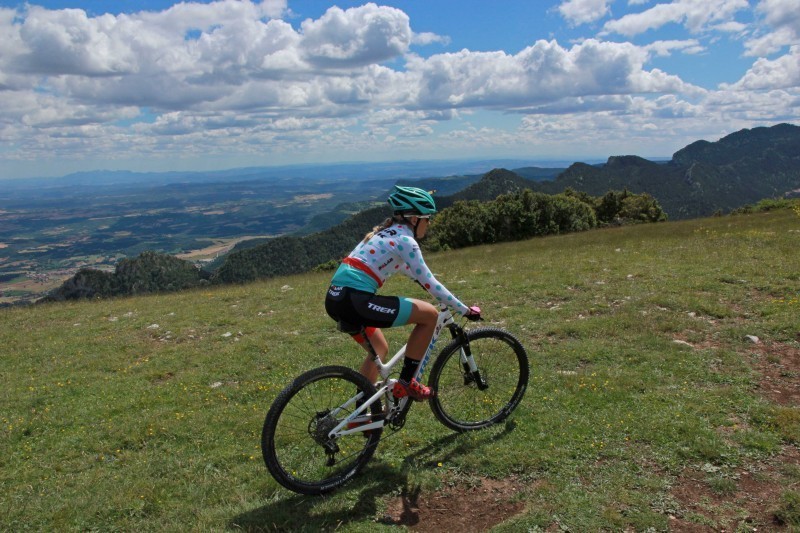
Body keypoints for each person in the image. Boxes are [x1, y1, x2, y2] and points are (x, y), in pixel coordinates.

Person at [325, 185, 481, 401]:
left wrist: (430, 286)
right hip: (355, 300)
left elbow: (411, 272)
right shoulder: (406, 241)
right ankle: (407, 383)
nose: (429, 223)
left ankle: (362, 415)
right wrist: (464, 310)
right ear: (415, 219)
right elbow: (430, 282)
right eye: (428, 218)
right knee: (429, 315)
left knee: (379, 348)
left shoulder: (383, 233)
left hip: (335, 298)